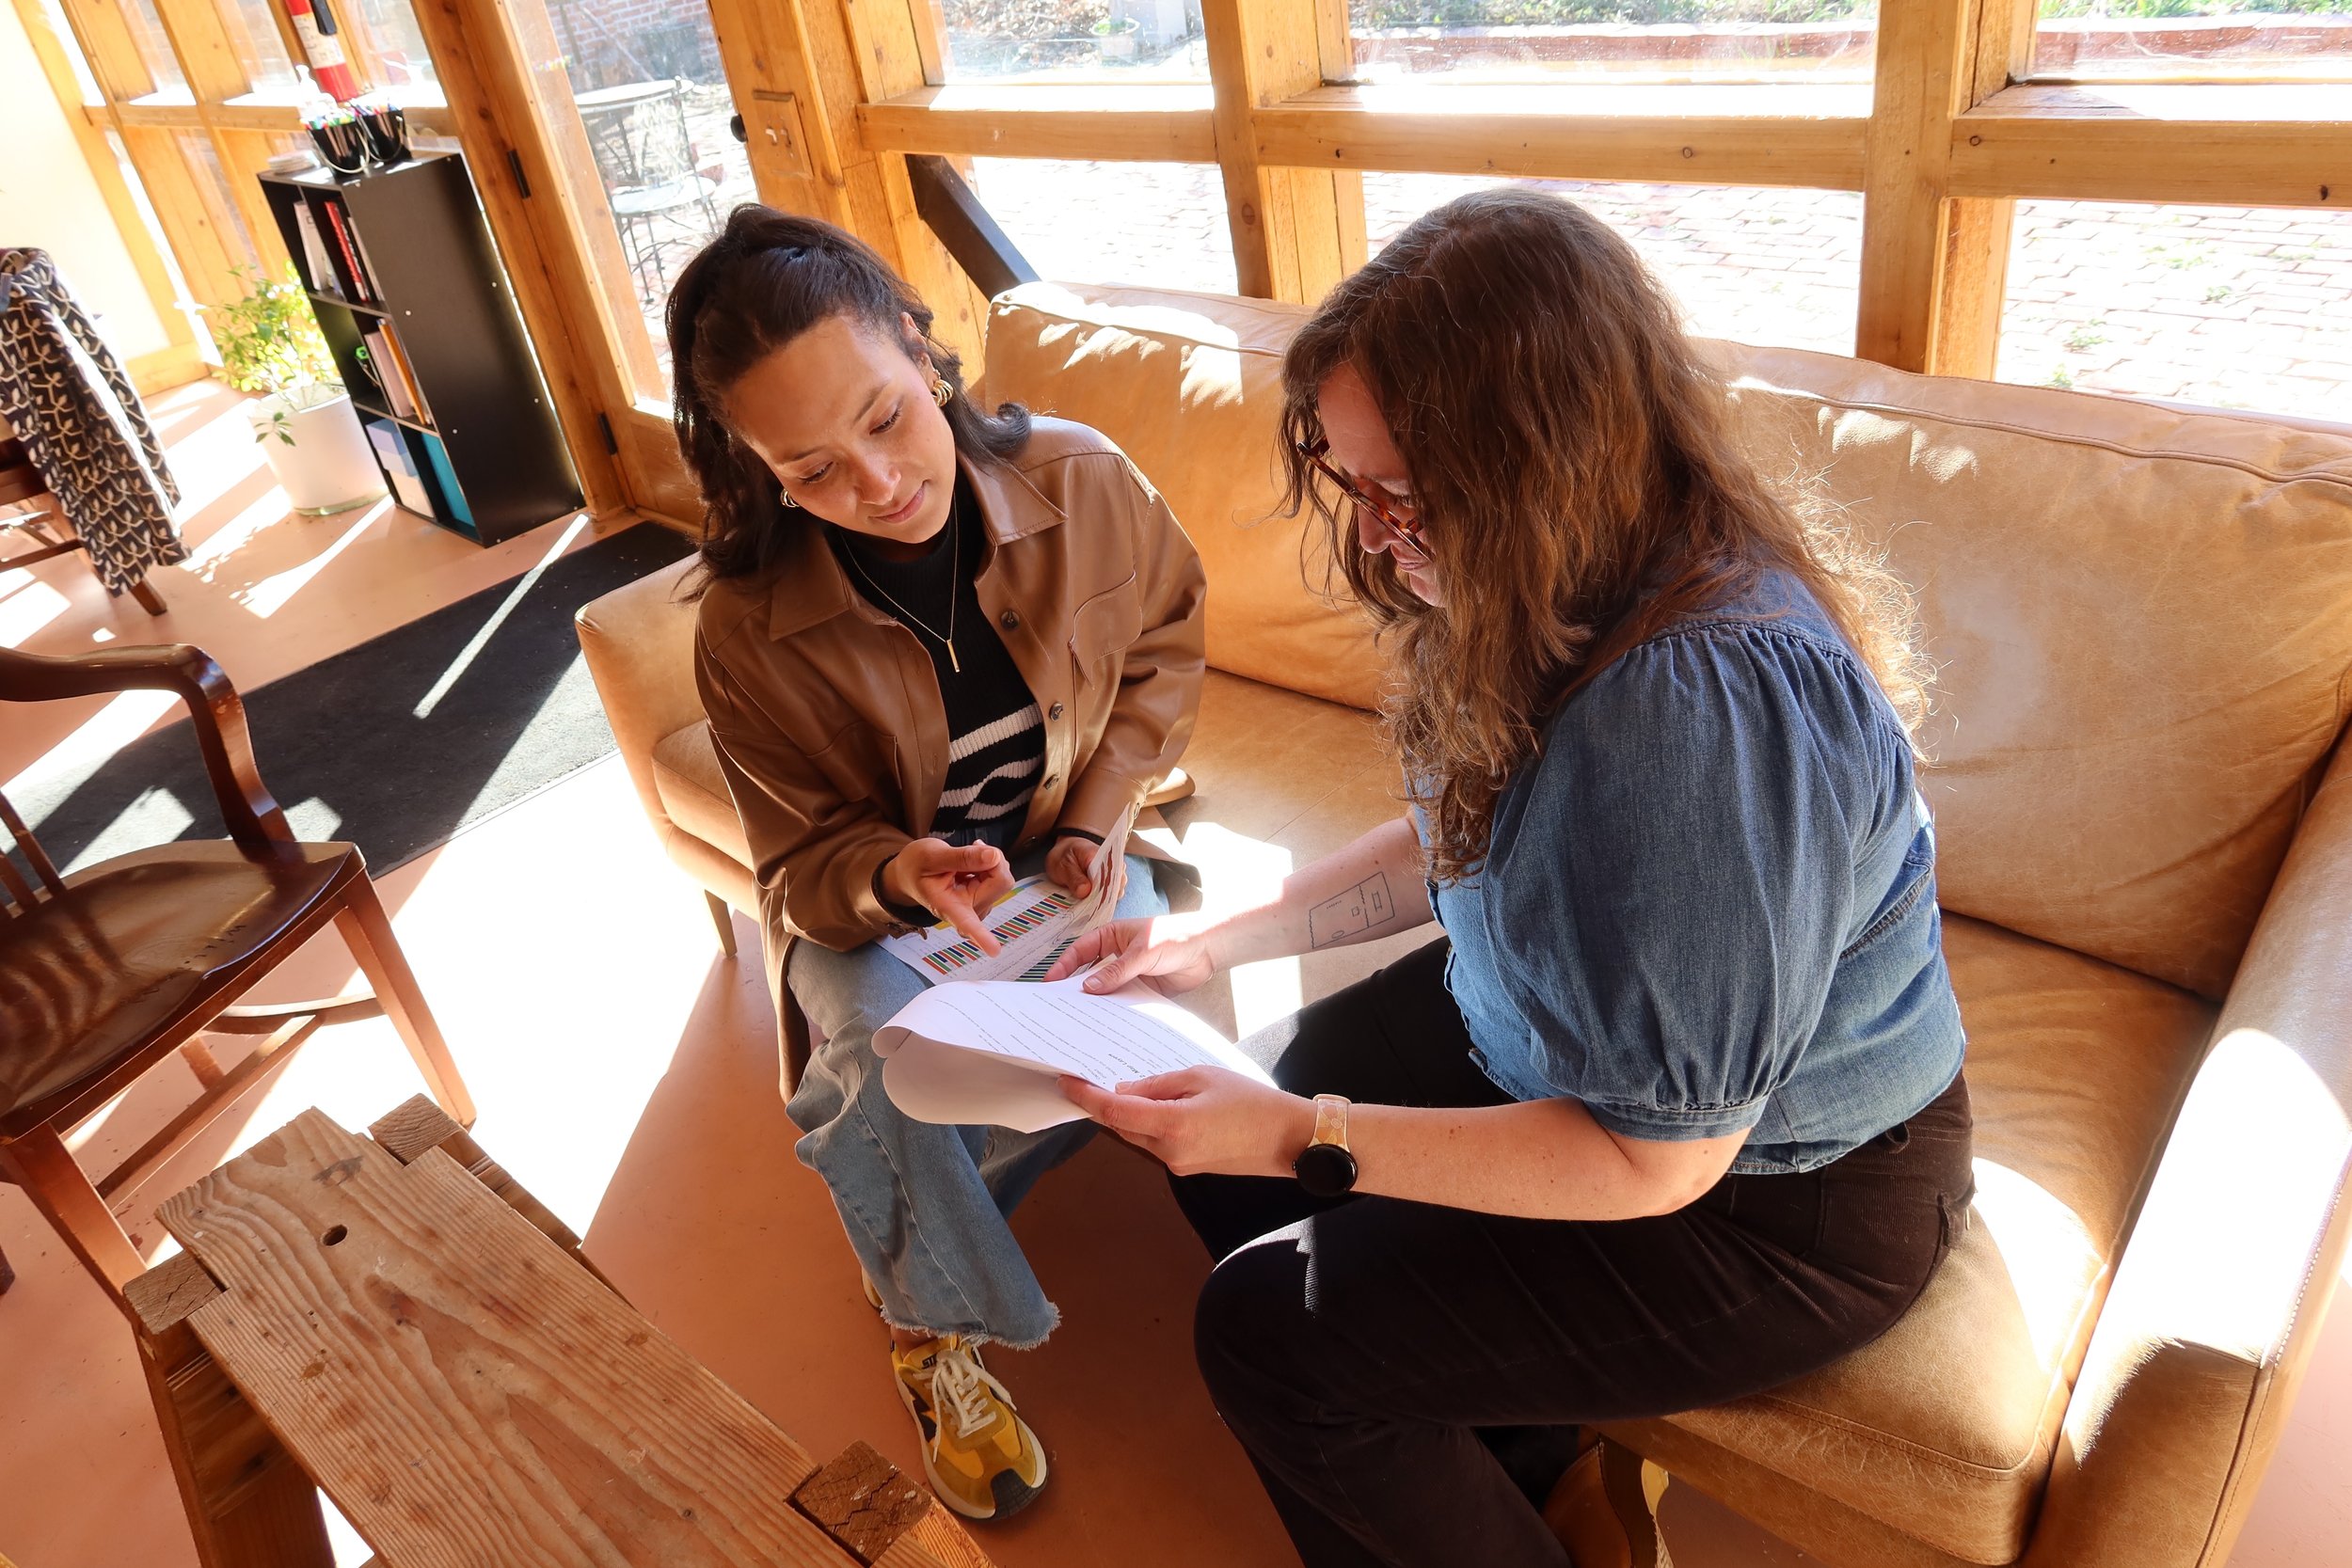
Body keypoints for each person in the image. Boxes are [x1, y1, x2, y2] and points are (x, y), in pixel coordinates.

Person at [1048, 188, 1972, 1568]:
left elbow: (1656, 1160)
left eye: (1403, 495)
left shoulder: (1694, 707)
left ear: (1541, 462)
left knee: (1270, 1332)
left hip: (1788, 1197)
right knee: (1247, 1143)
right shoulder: (1569, 575)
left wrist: (1297, 1129)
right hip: (1581, 1046)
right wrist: (1213, 942)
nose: (1371, 537)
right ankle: (1528, 1463)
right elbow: (1466, 834)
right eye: (1356, 487)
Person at [670, 207, 1208, 1523]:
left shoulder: (1085, 483)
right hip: (881, 912)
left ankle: (915, 1227)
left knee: (1111, 1005)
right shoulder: (746, 629)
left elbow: (1166, 654)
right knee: (878, 1079)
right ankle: (932, 1331)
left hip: (1070, 855)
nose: (876, 483)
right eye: (811, 469)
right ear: (756, 472)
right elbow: (795, 866)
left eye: (885, 419)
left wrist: (1094, 823)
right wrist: (901, 873)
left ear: (923, 349)